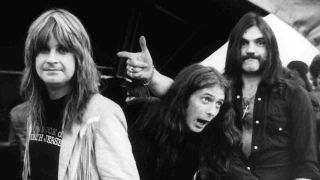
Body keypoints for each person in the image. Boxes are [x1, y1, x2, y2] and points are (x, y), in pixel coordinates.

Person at [117, 12, 320, 180]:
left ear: (270, 49)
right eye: (244, 43)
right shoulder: (223, 90)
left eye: (259, 43)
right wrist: (151, 76)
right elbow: (184, 96)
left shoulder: (294, 95)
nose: (251, 50)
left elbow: (306, 165)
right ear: (234, 48)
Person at [20, 9, 139, 180]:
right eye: (44, 50)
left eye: (62, 50)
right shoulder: (35, 111)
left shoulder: (103, 114)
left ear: (78, 57)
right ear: (33, 58)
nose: (51, 59)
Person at [126, 63, 257, 180]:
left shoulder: (210, 144)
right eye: (206, 99)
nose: (212, 111)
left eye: (218, 104)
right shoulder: (142, 112)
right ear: (184, 96)